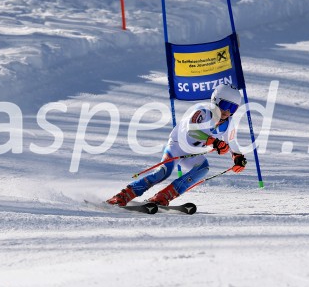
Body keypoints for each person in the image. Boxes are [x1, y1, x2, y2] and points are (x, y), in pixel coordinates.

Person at [106, 84, 248, 207]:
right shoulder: (202, 112)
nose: (227, 111)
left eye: (233, 108)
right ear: (215, 100)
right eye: (225, 105)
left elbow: (232, 142)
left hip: (193, 154)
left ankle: (163, 197)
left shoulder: (229, 123)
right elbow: (192, 131)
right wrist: (214, 142)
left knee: (203, 169)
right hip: (177, 147)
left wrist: (238, 157)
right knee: (163, 173)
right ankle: (123, 196)